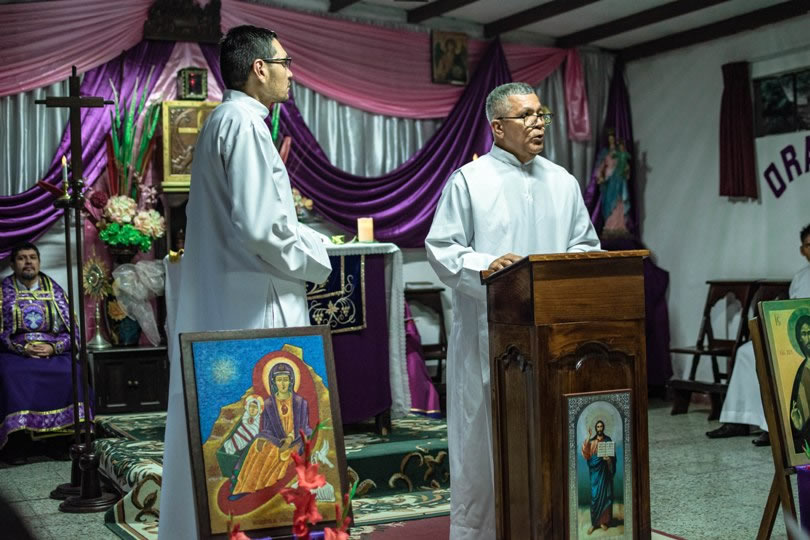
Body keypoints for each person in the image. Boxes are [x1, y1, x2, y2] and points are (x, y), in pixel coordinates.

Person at [159, 25, 332, 539]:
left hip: (231, 295)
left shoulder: (224, 120)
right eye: (285, 62)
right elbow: (261, 229)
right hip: (258, 300)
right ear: (260, 68)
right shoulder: (246, 123)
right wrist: (317, 255)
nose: (291, 73)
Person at [425, 82, 600, 539]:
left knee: (550, 436)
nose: (538, 123)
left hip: (553, 338)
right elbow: (442, 248)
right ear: (498, 127)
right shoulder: (469, 181)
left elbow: (586, 246)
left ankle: (552, 526)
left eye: (541, 114)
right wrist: (487, 266)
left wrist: (565, 269)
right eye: (526, 116)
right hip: (488, 336)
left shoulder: (563, 182)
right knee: (485, 441)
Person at [707, 223, 810, 445]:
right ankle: (738, 419)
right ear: (802, 250)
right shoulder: (801, 277)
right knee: (747, 352)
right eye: (808, 245)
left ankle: (771, 428)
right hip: (795, 334)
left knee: (778, 358)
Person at [0, 243, 85, 458]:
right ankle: (18, 443)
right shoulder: (3, 293)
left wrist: (53, 347)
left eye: (33, 257)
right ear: (12, 264)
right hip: (16, 353)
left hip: (52, 351)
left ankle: (59, 440)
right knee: (10, 374)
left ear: (39, 262)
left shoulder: (55, 291)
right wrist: (23, 348)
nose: (28, 262)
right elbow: (0, 334)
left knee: (71, 372)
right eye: (22, 258)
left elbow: (73, 331)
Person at [231, 362, 312, 496]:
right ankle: (247, 485)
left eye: (285, 379)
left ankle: (267, 486)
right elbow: (267, 429)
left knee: (275, 454)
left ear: (291, 381)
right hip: (276, 440)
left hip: (295, 441)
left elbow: (304, 427)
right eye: (279, 380)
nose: (283, 384)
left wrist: (290, 439)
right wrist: (263, 438)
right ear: (274, 382)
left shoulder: (300, 402)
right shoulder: (268, 404)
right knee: (258, 446)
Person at [580, 420, 615, 535]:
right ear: (596, 428)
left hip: (604, 473)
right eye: (598, 427)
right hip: (595, 473)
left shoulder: (607, 440)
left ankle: (602, 522)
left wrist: (608, 460)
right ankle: (594, 523)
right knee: (595, 496)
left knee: (605, 496)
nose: (599, 428)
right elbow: (586, 454)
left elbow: (613, 458)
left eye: (601, 426)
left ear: (603, 428)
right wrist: (588, 436)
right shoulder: (592, 441)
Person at [789, 315, 810, 452]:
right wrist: (798, 425)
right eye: (804, 334)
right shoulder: (799, 373)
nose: (809, 338)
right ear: (799, 338)